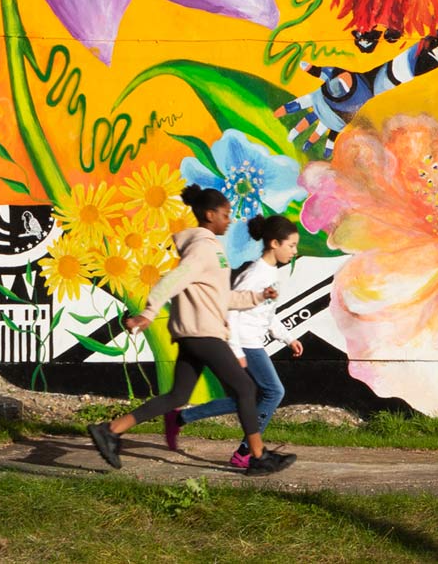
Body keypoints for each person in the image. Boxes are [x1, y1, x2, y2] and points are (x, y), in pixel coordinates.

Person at [86, 187, 295, 475]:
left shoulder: (211, 248)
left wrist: (259, 297)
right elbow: (174, 279)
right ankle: (258, 456)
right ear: (210, 215)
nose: (229, 220)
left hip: (196, 333)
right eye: (225, 215)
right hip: (203, 333)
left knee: (177, 396)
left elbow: (222, 297)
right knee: (246, 389)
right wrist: (148, 313)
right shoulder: (202, 247)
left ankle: (110, 430)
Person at [162, 214, 303, 467]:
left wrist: (287, 337)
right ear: (274, 243)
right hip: (246, 343)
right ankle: (247, 452)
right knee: (274, 392)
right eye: (291, 245)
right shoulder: (255, 274)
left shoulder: (270, 273)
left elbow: (266, 312)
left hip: (253, 342)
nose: (295, 251)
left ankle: (182, 418)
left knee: (246, 397)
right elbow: (231, 310)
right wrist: (236, 350)